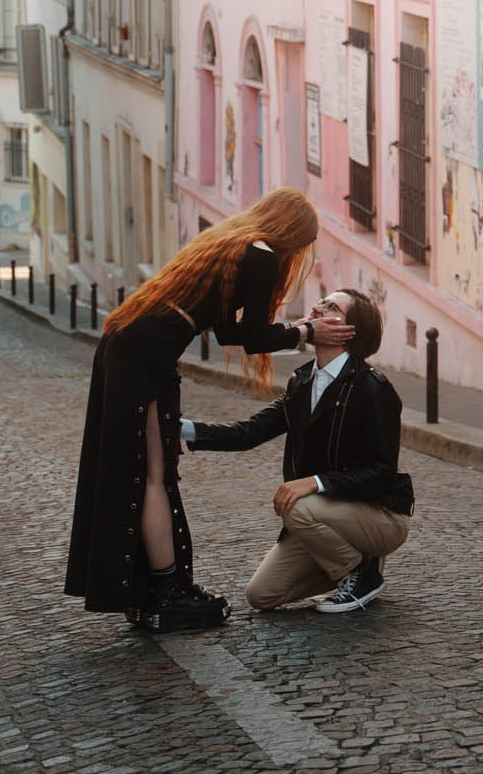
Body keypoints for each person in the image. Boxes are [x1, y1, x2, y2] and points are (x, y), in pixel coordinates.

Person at [64, 187, 353, 631]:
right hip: (143, 356)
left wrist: (297, 329)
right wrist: (307, 333)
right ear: (292, 235)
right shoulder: (262, 256)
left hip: (131, 344)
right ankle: (167, 592)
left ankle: (155, 589)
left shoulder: (235, 242)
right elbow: (253, 339)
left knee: (147, 472)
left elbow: (226, 333)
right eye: (301, 245)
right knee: (151, 475)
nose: (297, 254)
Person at [183, 289, 414, 613]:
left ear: (349, 331)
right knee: (261, 594)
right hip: (327, 512)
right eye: (321, 301)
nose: (318, 307)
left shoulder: (373, 387)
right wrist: (177, 428)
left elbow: (382, 473)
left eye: (331, 306)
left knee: (296, 505)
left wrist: (315, 483)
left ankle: (360, 573)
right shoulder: (302, 381)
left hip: (380, 515)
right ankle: (353, 563)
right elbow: (248, 433)